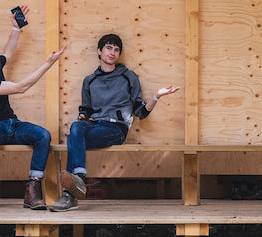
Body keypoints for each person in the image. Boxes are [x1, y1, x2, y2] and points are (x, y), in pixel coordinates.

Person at [50, 33, 178, 212]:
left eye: (117, 49)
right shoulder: (89, 81)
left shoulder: (128, 77)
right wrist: (83, 118)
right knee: (76, 128)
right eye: (109, 48)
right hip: (94, 126)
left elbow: (140, 112)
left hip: (115, 129)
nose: (113, 52)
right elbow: (85, 111)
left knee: (74, 138)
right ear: (99, 51)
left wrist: (157, 96)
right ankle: (78, 180)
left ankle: (70, 194)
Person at [0, 6, 65, 212]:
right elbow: (20, 88)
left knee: (43, 136)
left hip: (11, 123)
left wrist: (16, 29)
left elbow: (8, 53)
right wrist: (47, 64)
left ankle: (32, 189)